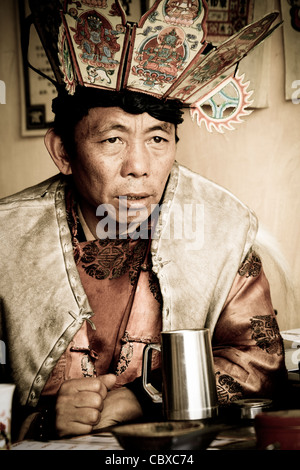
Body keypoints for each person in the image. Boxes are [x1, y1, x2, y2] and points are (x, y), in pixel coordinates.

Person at [0, 85, 287, 441]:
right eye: (112, 140)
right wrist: (40, 422)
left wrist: (142, 398)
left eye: (157, 139)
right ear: (63, 152)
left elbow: (260, 364)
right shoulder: (7, 239)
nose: (138, 167)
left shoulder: (220, 230)